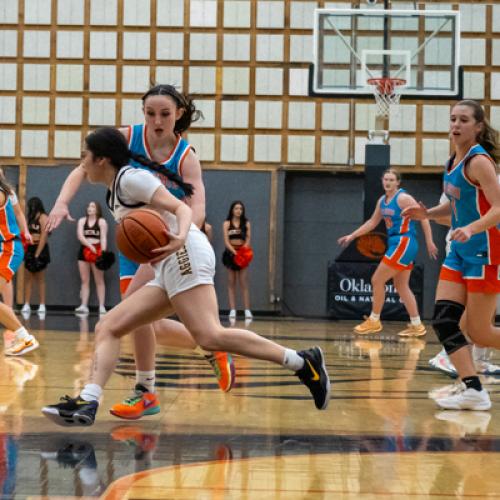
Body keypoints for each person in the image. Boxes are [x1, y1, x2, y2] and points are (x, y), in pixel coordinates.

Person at [41, 127, 330, 426]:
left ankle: (302, 361)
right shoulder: (116, 188)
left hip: (184, 252)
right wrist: (62, 202)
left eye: (84, 156)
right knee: (109, 326)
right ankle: (89, 401)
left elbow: (180, 207)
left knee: (210, 336)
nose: (81, 163)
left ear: (101, 160)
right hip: (168, 263)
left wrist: (179, 238)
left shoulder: (131, 179)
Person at [46, 84, 234, 419]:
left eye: (164, 114)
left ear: (178, 113)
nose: (157, 121)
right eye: (150, 113)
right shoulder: (125, 138)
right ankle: (205, 348)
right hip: (133, 239)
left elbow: (198, 206)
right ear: (142, 113)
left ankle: (147, 389)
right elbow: (82, 166)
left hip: (164, 241)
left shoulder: (186, 157)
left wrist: (178, 236)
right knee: (142, 324)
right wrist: (61, 202)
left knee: (127, 317)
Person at [403, 99, 500, 410]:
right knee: (444, 321)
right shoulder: (451, 162)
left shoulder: (480, 161)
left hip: (484, 251)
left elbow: (498, 209)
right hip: (458, 252)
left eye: (463, 120)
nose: (456, 125)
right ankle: (474, 389)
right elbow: (453, 208)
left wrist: (471, 228)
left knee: (479, 332)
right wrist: (427, 214)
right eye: (453, 119)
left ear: (478, 127)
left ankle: (473, 388)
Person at [338, 168, 438, 337]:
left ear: (398, 182)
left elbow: (423, 216)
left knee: (377, 279)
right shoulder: (382, 201)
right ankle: (417, 325)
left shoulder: (403, 198)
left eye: (391, 180)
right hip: (396, 243)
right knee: (401, 286)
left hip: (404, 242)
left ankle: (374, 320)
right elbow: (372, 222)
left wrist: (429, 241)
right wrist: (352, 235)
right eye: (385, 179)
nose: (388, 182)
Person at [428, 194, 500, 377]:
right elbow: (442, 216)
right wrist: (473, 224)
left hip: (487, 249)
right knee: (466, 309)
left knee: (484, 312)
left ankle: (478, 359)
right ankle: (447, 354)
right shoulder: (468, 172)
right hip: (467, 248)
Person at [0, 168, 39, 356]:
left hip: (8, 248)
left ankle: (24, 337)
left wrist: (25, 232)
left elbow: (19, 214)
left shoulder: (2, 194)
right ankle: (22, 336)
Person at [74, 201, 108, 315]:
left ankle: (102, 306)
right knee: (84, 280)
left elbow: (103, 238)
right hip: (84, 250)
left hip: (97, 250)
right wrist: (89, 246)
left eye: (92, 206)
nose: (90, 208)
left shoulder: (101, 222)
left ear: (97, 209)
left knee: (99, 280)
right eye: (88, 206)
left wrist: (102, 253)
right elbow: (80, 235)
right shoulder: (82, 221)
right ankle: (84, 305)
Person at [222, 201, 253, 320]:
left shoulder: (246, 223)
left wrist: (242, 252)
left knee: (243, 282)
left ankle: (247, 310)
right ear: (232, 210)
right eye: (236, 208)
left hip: (242, 253)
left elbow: (248, 239)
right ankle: (233, 310)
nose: (238, 210)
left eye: (241, 208)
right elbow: (226, 241)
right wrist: (234, 253)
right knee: (231, 282)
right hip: (230, 253)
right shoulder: (226, 223)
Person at [21, 197, 50, 315]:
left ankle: (42, 305)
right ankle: (27, 304)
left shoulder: (43, 217)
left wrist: (38, 253)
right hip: (30, 248)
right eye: (30, 205)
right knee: (28, 278)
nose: (32, 207)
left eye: (34, 205)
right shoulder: (29, 218)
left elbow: (44, 236)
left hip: (41, 249)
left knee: (41, 279)